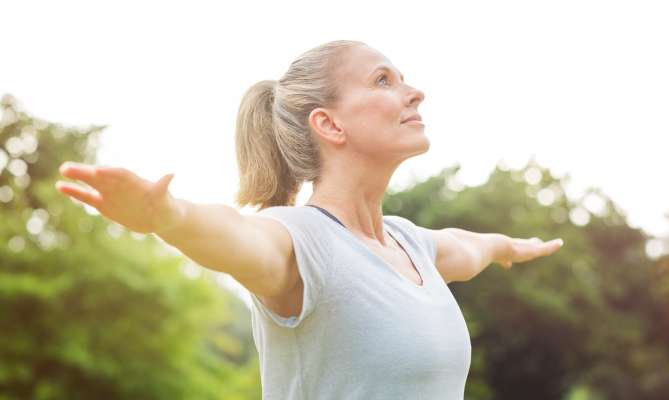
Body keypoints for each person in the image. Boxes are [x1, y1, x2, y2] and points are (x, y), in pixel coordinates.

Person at [56, 40, 563, 400]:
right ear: (329, 123)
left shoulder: (414, 245)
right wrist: (169, 216)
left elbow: (471, 247)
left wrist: (512, 247)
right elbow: (236, 234)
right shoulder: (302, 241)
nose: (414, 93)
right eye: (383, 80)